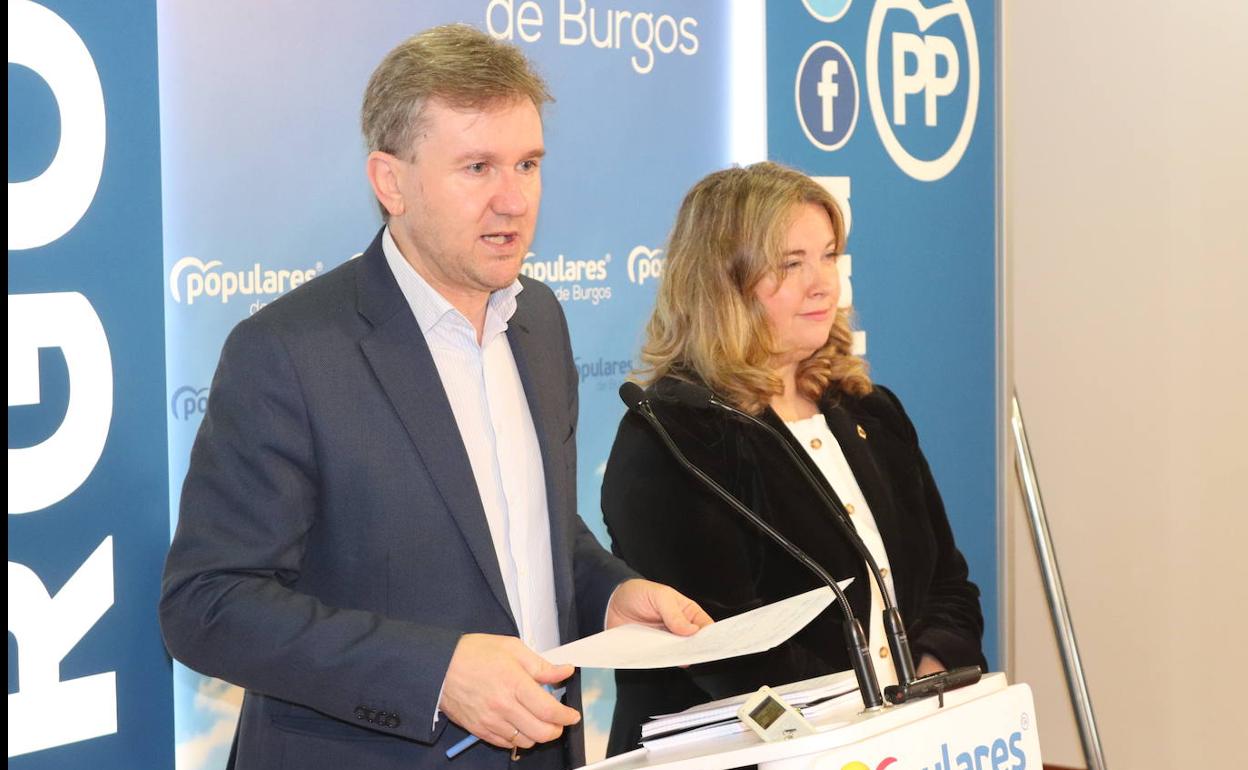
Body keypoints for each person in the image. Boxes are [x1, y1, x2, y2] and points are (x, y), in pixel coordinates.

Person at [159, 24, 709, 770]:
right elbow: (209, 606)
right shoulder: (287, 353)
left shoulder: (539, 319)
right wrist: (436, 673)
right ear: (391, 182)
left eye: (527, 163)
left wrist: (610, 594)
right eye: (477, 167)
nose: (513, 200)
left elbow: (526, 531)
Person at [602, 162, 986, 756]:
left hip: (896, 746)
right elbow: (726, 649)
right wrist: (872, 712)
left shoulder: (871, 412)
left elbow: (948, 588)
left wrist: (923, 687)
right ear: (721, 282)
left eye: (829, 256)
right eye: (790, 264)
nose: (824, 284)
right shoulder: (674, 436)